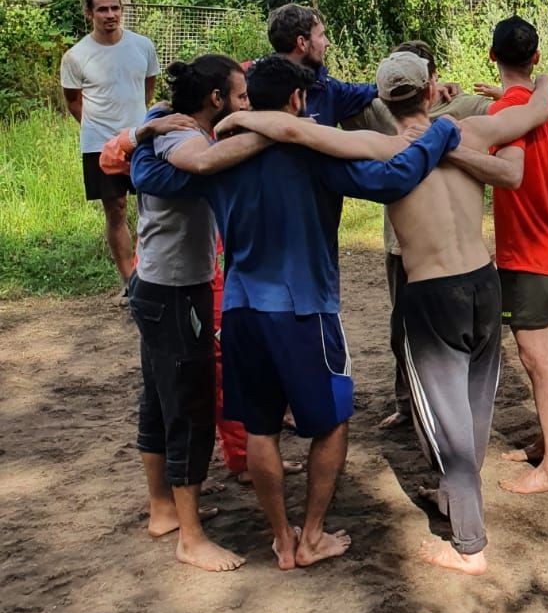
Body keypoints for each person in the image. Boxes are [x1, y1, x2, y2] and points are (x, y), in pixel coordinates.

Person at [131, 54, 482, 571]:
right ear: (296, 101)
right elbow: (393, 179)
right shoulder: (315, 156)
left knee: (260, 428)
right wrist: (440, 133)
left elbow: (150, 174)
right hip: (305, 311)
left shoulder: (219, 156)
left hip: (242, 310)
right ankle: (312, 534)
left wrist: (146, 132)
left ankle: (280, 538)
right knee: (333, 422)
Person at [218, 53, 548, 576]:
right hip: (484, 282)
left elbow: (295, 131)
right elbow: (538, 109)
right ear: (429, 91)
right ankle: (454, 495)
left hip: (432, 295)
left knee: (448, 423)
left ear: (382, 100)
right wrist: (545, 75)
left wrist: (239, 118)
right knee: (471, 411)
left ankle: (468, 545)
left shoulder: (381, 146)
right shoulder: (470, 130)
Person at [126, 55, 267, 572]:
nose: (246, 103)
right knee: (188, 406)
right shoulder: (183, 143)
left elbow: (147, 150)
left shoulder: (169, 127)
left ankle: (163, 509)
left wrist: (145, 131)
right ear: (216, 99)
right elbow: (203, 167)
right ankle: (190, 537)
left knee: (160, 400)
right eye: (241, 96)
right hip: (174, 294)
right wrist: (276, 133)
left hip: (159, 287)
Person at [354, 40, 492, 430]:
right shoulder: (385, 113)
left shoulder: (459, 109)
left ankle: (449, 412)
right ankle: (407, 402)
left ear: (430, 79)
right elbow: (344, 97)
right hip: (401, 247)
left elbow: (503, 111)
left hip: (449, 254)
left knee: (448, 338)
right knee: (403, 331)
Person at [487, 17, 548, 496]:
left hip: (528, 253)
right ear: (537, 58)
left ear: (492, 56)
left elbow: (510, 166)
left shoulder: (510, 112)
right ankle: (547, 443)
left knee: (534, 355)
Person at [60, 0, 159, 291]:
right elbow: (73, 101)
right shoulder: (76, 56)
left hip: (140, 139)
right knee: (115, 210)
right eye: (102, 9)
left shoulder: (142, 46)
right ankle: (131, 282)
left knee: (152, 205)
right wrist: (98, 130)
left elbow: (148, 87)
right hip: (99, 144)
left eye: (115, 8)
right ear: (90, 13)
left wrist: (134, 126)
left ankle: (154, 276)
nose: (110, 15)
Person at [267, 3, 378, 126]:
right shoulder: (253, 93)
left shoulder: (328, 89)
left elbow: (376, 90)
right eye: (321, 35)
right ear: (302, 43)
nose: (327, 42)